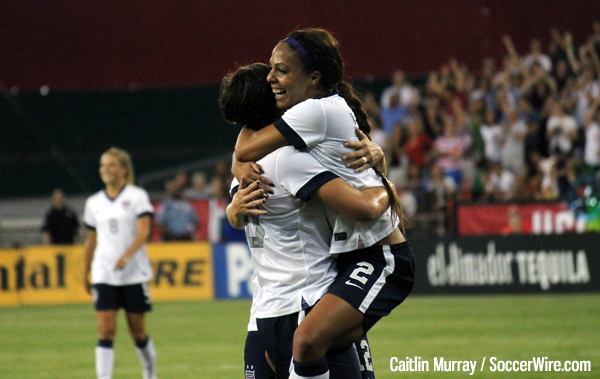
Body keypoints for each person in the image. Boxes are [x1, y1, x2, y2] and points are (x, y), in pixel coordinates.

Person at [233, 28, 415, 379]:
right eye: (271, 69)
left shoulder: (313, 113)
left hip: (380, 257)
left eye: (281, 69)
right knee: (332, 352)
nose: (271, 76)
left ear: (314, 78)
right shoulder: (316, 112)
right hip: (347, 256)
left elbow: (244, 148)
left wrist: (386, 190)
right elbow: (244, 149)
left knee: (307, 342)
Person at [82, 147, 157, 379]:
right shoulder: (93, 202)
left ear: (123, 169)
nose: (105, 169)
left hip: (133, 273)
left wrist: (127, 255)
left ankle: (149, 370)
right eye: (103, 165)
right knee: (106, 330)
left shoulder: (137, 196)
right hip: (104, 273)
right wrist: (86, 271)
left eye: (111, 165)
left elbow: (144, 232)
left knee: (137, 332)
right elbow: (91, 240)